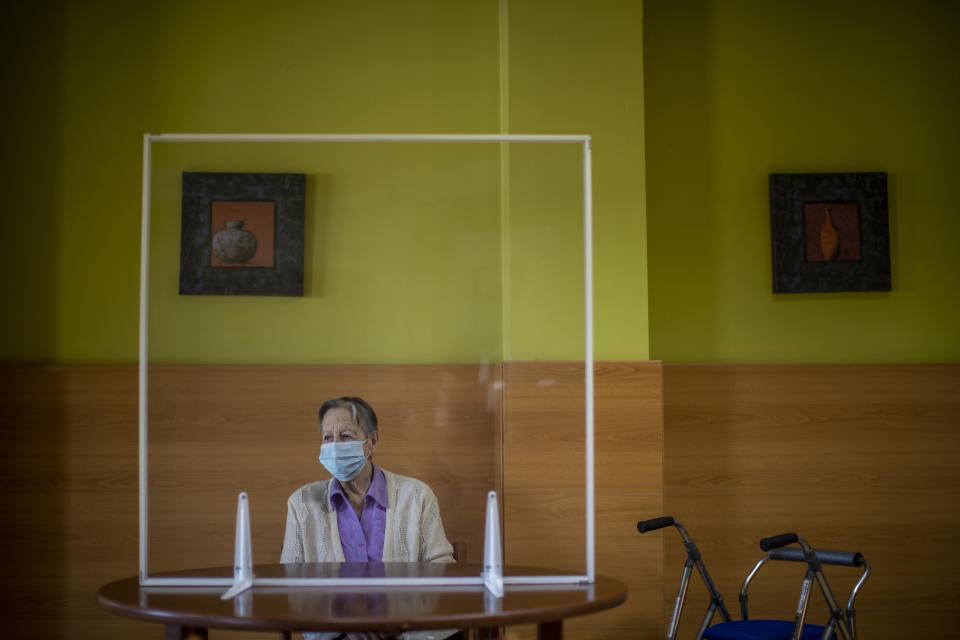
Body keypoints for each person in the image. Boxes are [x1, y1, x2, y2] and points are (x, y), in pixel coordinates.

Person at [281, 396, 459, 640]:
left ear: (372, 442)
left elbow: (442, 571)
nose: (334, 446)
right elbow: (292, 585)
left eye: (345, 436)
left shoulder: (417, 496)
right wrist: (347, 624)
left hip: (408, 632)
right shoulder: (301, 503)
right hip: (337, 634)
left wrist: (397, 623)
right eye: (327, 438)